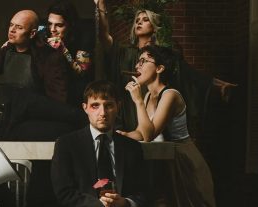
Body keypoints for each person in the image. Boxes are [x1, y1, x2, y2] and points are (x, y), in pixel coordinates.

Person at [121, 45, 229, 207]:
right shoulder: (147, 96)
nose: (138, 65)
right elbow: (141, 132)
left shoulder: (171, 94)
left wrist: (136, 99)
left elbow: (149, 133)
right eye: (138, 60)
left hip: (184, 159)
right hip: (161, 160)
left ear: (159, 68)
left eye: (145, 60)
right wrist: (122, 136)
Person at [97, 0, 237, 134]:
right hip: (129, 107)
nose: (139, 22)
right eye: (137, 20)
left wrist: (218, 84)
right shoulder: (124, 52)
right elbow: (104, 36)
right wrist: (102, 7)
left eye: (145, 20)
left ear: (154, 26)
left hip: (154, 107)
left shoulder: (162, 55)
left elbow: (188, 73)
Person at [0, 9, 70, 103]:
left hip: (36, 112)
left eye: (19, 27)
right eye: (11, 24)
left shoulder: (48, 56)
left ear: (32, 33)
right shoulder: (6, 49)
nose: (12, 30)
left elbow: (57, 99)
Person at [45, 0, 95, 107]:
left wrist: (63, 49)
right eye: (50, 24)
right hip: (52, 94)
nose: (52, 29)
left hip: (76, 97)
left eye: (59, 25)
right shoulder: (46, 33)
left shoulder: (83, 39)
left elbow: (81, 72)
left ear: (70, 25)